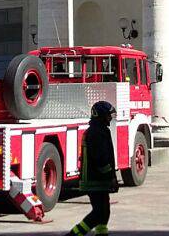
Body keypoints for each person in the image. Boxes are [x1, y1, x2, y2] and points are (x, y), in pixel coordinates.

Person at [68, 100, 118, 236]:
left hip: (98, 180)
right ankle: (74, 234)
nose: (110, 118)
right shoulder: (97, 133)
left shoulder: (99, 130)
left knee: (104, 212)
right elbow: (100, 159)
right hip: (95, 181)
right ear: (101, 116)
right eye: (108, 115)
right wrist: (110, 177)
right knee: (98, 213)